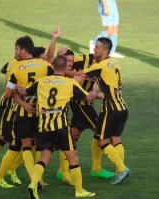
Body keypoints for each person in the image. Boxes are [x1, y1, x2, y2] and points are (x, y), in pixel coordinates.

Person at [25, 55, 97, 198]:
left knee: (43, 159)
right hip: (61, 127)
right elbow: (87, 98)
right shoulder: (70, 83)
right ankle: (79, 190)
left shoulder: (41, 81)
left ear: (52, 67)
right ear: (65, 68)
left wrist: (15, 87)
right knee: (73, 158)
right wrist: (95, 89)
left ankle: (33, 184)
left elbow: (25, 92)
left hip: (44, 127)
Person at [0, 35, 54, 188]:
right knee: (27, 146)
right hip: (38, 112)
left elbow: (8, 94)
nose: (15, 52)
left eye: (17, 49)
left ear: (24, 50)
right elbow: (52, 85)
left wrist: (21, 98)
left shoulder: (15, 67)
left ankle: (5, 178)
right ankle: (35, 180)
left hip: (20, 113)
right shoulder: (45, 65)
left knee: (19, 146)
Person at [74, 37, 130, 185]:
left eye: (97, 47)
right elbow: (102, 82)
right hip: (122, 107)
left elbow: (80, 75)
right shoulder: (114, 63)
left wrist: (60, 71)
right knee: (116, 139)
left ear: (105, 50)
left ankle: (122, 169)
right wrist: (95, 93)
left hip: (110, 110)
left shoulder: (100, 66)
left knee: (102, 141)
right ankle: (119, 173)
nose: (94, 50)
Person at [55, 49, 114, 184]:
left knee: (73, 135)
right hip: (81, 103)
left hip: (85, 102)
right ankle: (97, 169)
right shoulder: (81, 59)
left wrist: (96, 92)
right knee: (102, 134)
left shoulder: (104, 64)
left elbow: (99, 82)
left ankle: (62, 171)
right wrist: (79, 74)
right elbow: (62, 70)